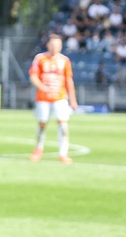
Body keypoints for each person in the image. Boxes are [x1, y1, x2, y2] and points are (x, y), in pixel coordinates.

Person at [29, 34, 78, 164]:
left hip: (60, 97)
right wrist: (42, 87)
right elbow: (33, 76)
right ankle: (38, 149)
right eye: (53, 44)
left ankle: (63, 153)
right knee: (42, 123)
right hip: (43, 98)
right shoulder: (40, 58)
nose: (55, 47)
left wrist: (73, 99)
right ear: (48, 45)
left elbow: (69, 80)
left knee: (63, 124)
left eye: (58, 44)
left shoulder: (65, 60)